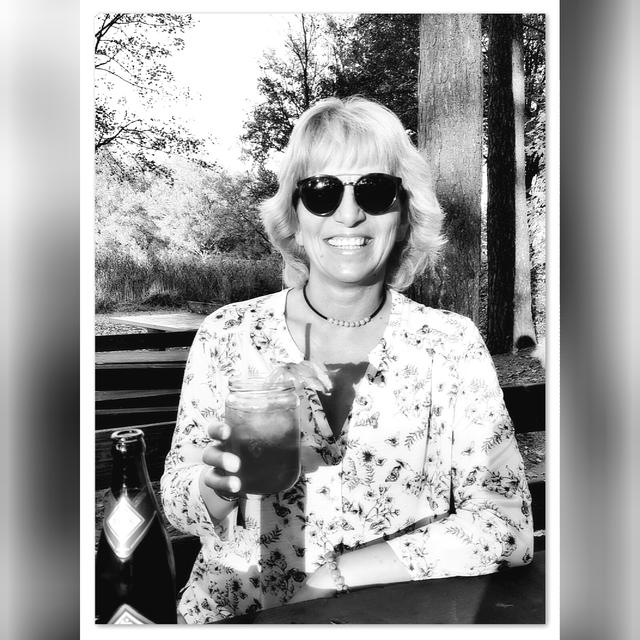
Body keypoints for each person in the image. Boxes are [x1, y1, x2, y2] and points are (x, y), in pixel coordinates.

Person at [161, 96, 534, 624]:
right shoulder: (229, 334)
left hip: (388, 619)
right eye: (322, 191)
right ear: (294, 214)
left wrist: (337, 576)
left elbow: (505, 525)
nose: (349, 212)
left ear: (405, 214)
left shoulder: (449, 344)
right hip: (236, 618)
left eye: (375, 190)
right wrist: (215, 487)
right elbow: (178, 501)